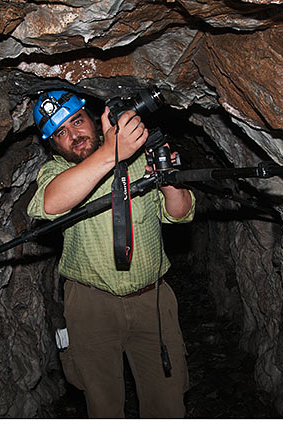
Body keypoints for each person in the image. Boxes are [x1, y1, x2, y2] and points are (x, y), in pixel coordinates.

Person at [26, 90, 195, 418]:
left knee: (168, 402)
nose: (74, 135)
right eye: (62, 132)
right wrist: (110, 152)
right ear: (53, 144)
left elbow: (180, 212)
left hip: (152, 301)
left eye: (77, 122)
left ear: (93, 118)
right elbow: (49, 203)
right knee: (103, 406)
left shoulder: (140, 158)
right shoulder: (59, 171)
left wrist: (168, 177)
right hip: (91, 306)